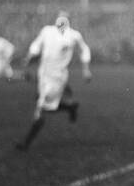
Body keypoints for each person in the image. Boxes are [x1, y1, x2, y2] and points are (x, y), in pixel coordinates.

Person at [15, 11, 92, 151]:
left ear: (68, 20)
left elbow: (84, 50)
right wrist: (28, 58)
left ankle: (25, 143)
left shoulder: (74, 35)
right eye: (60, 16)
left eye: (65, 17)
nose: (61, 19)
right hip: (43, 75)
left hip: (57, 78)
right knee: (46, 104)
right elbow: (36, 46)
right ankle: (70, 107)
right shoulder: (47, 31)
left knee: (41, 108)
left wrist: (86, 69)